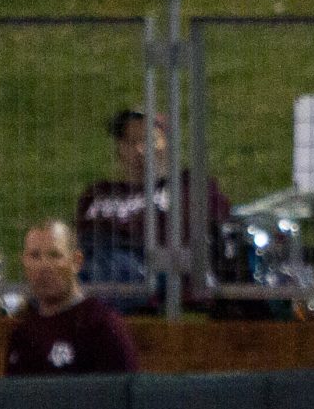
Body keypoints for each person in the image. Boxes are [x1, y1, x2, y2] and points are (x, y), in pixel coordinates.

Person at [72, 108, 231, 296]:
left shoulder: (188, 185)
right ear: (120, 149)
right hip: (96, 263)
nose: (139, 149)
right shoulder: (98, 192)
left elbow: (210, 233)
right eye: (130, 142)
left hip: (149, 269)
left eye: (149, 140)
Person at [6, 220, 142, 376]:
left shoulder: (100, 326)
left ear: (76, 261)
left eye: (55, 255)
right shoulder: (22, 334)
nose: (44, 266)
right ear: (24, 262)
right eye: (35, 256)